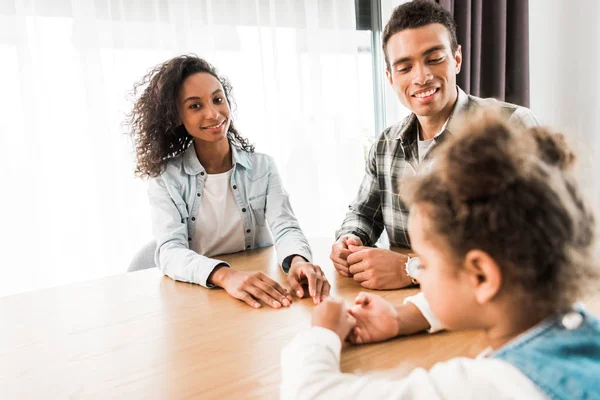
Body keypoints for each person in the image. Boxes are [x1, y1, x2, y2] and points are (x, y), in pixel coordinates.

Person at [281, 113, 600, 399]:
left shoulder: (491, 387)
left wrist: (320, 334)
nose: (420, 272)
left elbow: (310, 393)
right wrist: (399, 318)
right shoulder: (574, 324)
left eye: (426, 263)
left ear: (481, 276)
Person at [330, 0, 540, 295]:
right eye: (405, 67)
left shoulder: (511, 127)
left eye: (434, 58)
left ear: (456, 58)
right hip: (404, 307)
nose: (421, 76)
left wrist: (411, 270)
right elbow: (363, 214)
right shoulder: (385, 145)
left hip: (485, 306)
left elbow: (533, 241)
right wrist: (349, 239)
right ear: (391, 78)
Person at [126, 55, 329, 309]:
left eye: (217, 99)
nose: (213, 113)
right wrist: (226, 275)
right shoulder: (166, 179)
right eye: (195, 106)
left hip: (258, 289)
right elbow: (169, 252)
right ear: (177, 117)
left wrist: (297, 260)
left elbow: (285, 227)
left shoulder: (262, 167)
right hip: (200, 298)